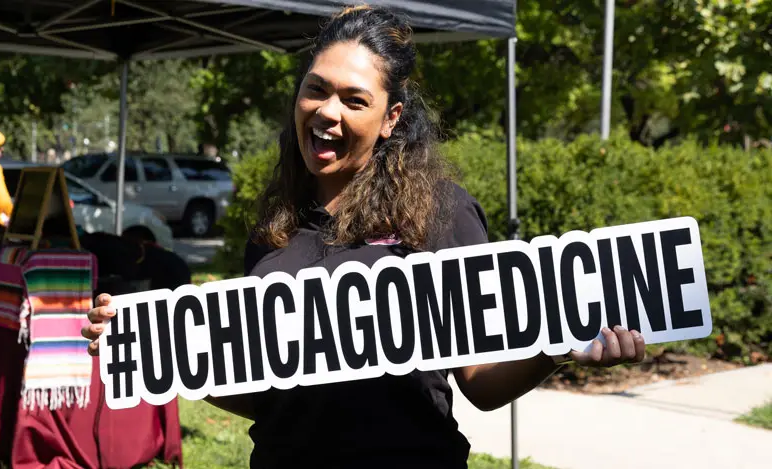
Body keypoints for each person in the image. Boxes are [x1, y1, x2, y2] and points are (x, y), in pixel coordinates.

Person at [82, 6, 646, 468]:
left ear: (391, 118)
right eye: (316, 90)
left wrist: (557, 349)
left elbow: (479, 382)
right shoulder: (275, 218)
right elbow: (265, 393)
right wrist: (165, 353)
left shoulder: (439, 213)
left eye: (354, 100)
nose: (327, 112)